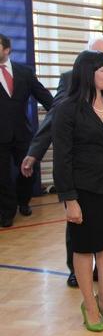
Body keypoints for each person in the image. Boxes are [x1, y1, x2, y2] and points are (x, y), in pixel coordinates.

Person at [22, 34, 103, 288]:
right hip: (85, 183)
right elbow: (59, 140)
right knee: (83, 240)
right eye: (101, 66)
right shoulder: (69, 98)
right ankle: (79, 275)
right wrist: (35, 152)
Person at [52, 50, 103, 332]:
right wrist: (69, 199)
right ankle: (89, 305)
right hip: (85, 190)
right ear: (88, 72)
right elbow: (62, 158)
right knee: (85, 247)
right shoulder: (68, 109)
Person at [0, 33, 53, 228]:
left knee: (30, 170)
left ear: (7, 49)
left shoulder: (24, 72)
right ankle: (7, 211)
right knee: (2, 176)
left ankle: (23, 201)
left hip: (22, 132)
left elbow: (44, 96)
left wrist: (62, 113)